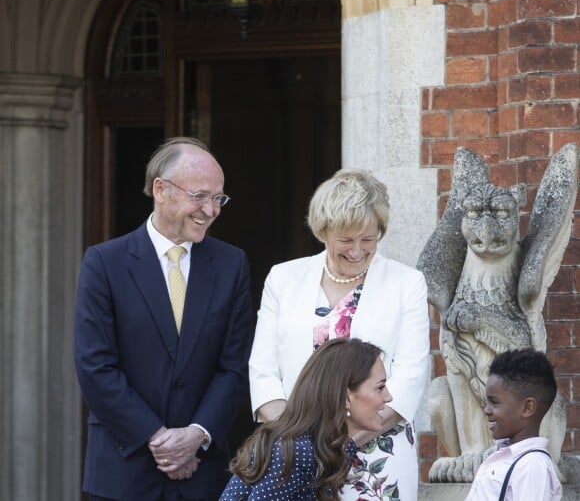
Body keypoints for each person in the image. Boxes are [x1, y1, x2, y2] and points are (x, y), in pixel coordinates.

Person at [74, 137, 254, 501]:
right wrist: (158, 438)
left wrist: (195, 436)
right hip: (122, 471)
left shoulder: (232, 264)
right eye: (200, 196)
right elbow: (95, 366)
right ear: (161, 189)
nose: (211, 209)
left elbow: (235, 366)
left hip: (203, 473)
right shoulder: (104, 263)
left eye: (218, 198)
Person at [249, 168, 430, 500]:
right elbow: (263, 371)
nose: (357, 251)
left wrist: (344, 443)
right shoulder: (283, 279)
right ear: (324, 231)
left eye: (369, 239)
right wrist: (298, 443)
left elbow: (411, 375)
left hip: (377, 451)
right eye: (346, 239)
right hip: (297, 456)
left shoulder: (407, 283)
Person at [221, 338, 392, 500]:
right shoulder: (297, 452)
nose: (388, 397)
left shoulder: (333, 447)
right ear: (347, 397)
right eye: (380, 387)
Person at [465, 348, 562, 501]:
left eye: (494, 402)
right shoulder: (506, 456)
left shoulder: (532, 465)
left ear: (527, 408)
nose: (486, 410)